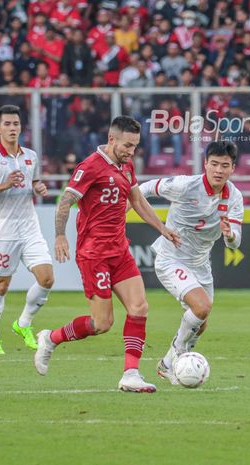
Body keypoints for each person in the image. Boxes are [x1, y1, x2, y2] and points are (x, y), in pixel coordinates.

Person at [34, 116, 180, 393]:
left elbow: (136, 200)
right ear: (111, 139)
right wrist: (61, 235)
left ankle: (131, 374)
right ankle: (51, 338)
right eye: (127, 145)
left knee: (139, 307)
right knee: (102, 324)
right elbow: (66, 201)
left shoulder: (127, 166)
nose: (131, 151)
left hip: (119, 251)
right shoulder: (89, 166)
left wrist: (162, 228)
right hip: (94, 254)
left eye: (135, 146)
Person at [138, 141, 244, 384]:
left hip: (200, 264)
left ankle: (166, 363)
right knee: (201, 307)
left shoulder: (235, 197)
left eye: (224, 166)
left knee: (201, 322)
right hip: (171, 258)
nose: (219, 170)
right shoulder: (185, 185)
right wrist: (129, 208)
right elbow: (145, 188)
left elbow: (234, 243)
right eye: (214, 164)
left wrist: (229, 235)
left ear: (232, 168)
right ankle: (177, 358)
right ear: (205, 164)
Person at [0, 105, 54, 355]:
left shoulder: (30, 155)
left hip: (30, 229)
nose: (12, 128)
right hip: (4, 232)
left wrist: (38, 187)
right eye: (6, 124)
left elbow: (34, 180)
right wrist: (4, 184)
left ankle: (23, 323)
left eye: (15, 124)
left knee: (47, 279)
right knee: (1, 286)